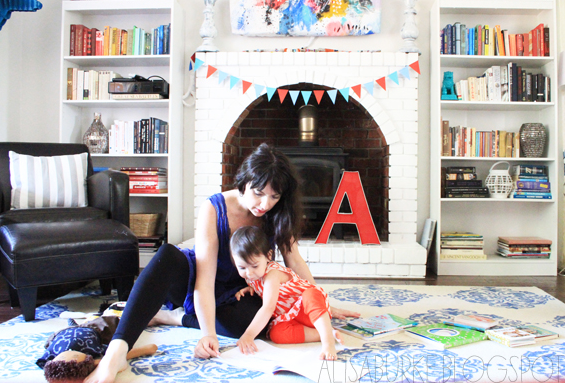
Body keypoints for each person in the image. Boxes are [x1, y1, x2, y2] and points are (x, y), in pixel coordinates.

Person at [85, 143, 359, 383]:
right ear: (244, 181)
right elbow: (204, 280)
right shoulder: (214, 207)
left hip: (240, 289)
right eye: (259, 193)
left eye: (274, 197)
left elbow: (294, 261)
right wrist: (208, 334)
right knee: (166, 256)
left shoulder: (278, 213)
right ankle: (117, 352)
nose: (265, 204)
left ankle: (176, 318)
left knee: (259, 326)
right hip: (198, 280)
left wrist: (319, 305)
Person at [231, 226, 342, 360]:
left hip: (307, 310)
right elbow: (261, 285)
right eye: (242, 267)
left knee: (310, 294)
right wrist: (252, 288)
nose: (249, 273)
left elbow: (268, 307)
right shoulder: (253, 276)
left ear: (268, 256)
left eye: (254, 266)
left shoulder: (272, 274)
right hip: (290, 317)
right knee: (276, 334)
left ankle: (328, 341)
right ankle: (325, 334)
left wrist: (249, 335)